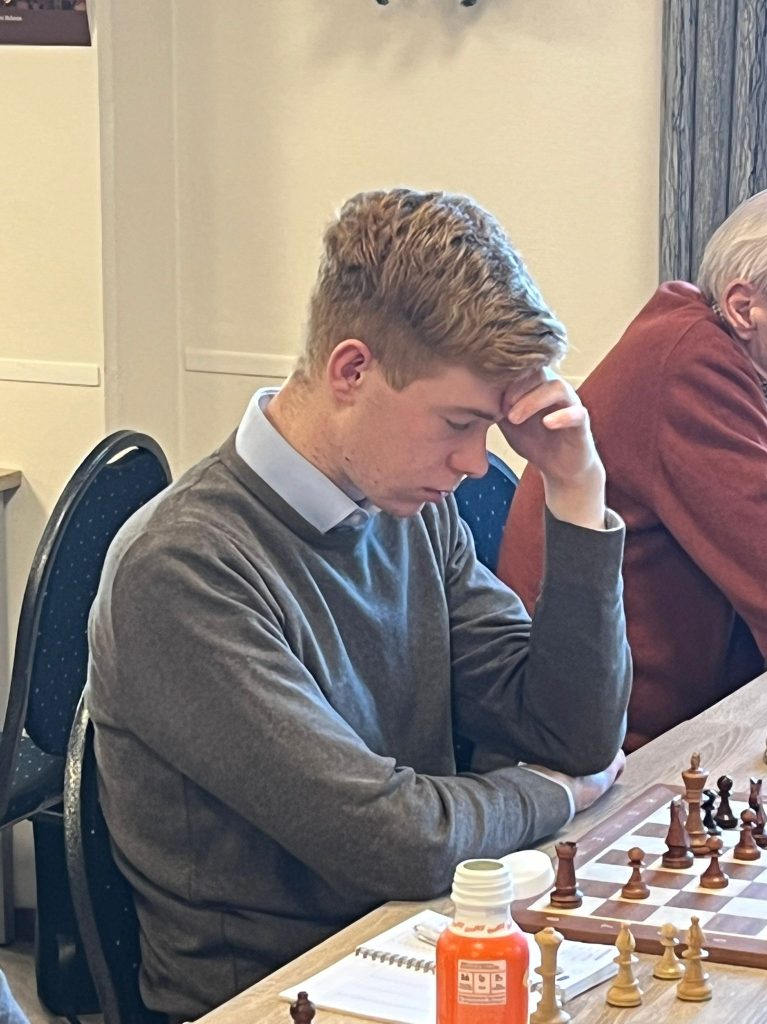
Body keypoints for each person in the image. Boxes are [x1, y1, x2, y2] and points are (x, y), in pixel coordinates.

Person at [86, 188, 630, 1019]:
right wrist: (554, 796)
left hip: (419, 940)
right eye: (457, 423)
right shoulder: (182, 567)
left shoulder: (407, 508)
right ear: (351, 371)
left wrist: (577, 491)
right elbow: (395, 839)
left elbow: (576, 735)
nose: (476, 464)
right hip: (274, 996)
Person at [499, 189, 767, 754]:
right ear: (745, 308)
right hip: (610, 747)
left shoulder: (714, 342)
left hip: (680, 718)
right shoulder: (691, 362)